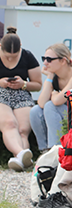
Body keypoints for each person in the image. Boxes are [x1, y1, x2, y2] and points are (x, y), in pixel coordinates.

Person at [30, 43, 72, 152]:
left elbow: (58, 101)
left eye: (49, 59)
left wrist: (54, 94)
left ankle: (56, 151)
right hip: (71, 114)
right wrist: (49, 77)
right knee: (35, 111)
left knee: (50, 106)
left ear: (63, 61)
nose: (45, 63)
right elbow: (41, 103)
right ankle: (44, 151)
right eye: (44, 58)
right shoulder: (54, 76)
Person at [0, 28, 42, 171]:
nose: (11, 59)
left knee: (23, 130)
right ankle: (21, 155)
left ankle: (19, 161)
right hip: (1, 94)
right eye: (7, 56)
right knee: (9, 123)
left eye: (15, 55)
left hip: (21, 94)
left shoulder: (28, 56)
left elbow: (37, 85)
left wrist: (23, 84)